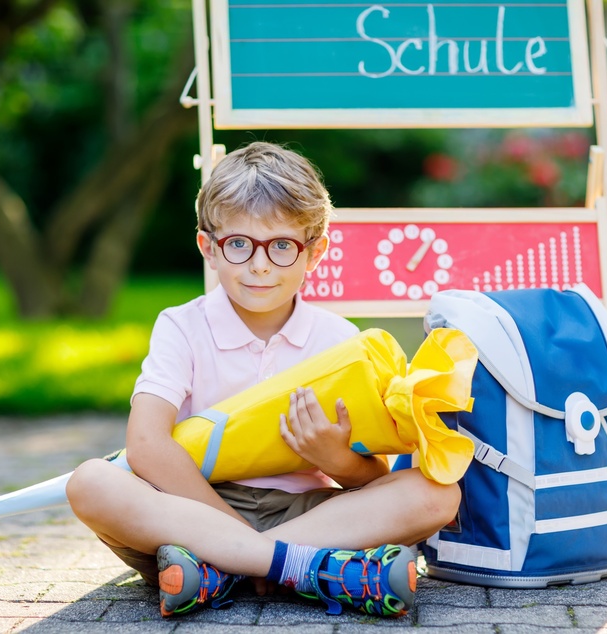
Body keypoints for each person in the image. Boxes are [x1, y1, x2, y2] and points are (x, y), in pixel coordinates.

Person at [66, 141, 461, 619]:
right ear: (208, 247)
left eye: (281, 246)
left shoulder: (340, 340)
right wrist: (230, 529)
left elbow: (371, 478)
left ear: (314, 253)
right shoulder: (181, 325)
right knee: (89, 482)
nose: (259, 265)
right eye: (239, 244)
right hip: (193, 508)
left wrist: (335, 458)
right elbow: (147, 444)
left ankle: (219, 573)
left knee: (438, 493)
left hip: (308, 515)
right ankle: (318, 572)